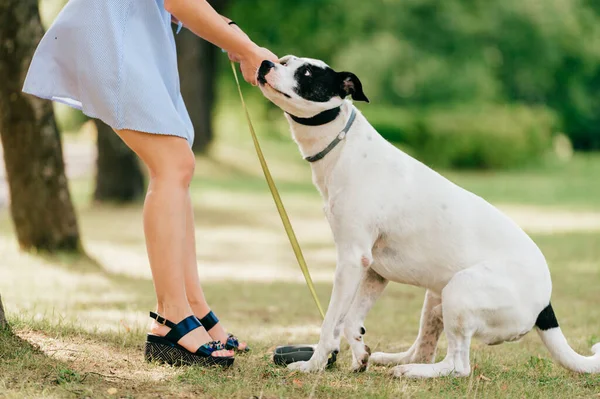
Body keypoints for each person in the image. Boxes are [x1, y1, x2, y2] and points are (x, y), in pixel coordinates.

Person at [23, 0, 279, 367]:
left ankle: (192, 306)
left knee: (178, 164)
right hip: (112, 34)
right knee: (172, 163)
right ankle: (170, 317)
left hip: (134, 36)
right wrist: (246, 48)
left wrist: (242, 43)